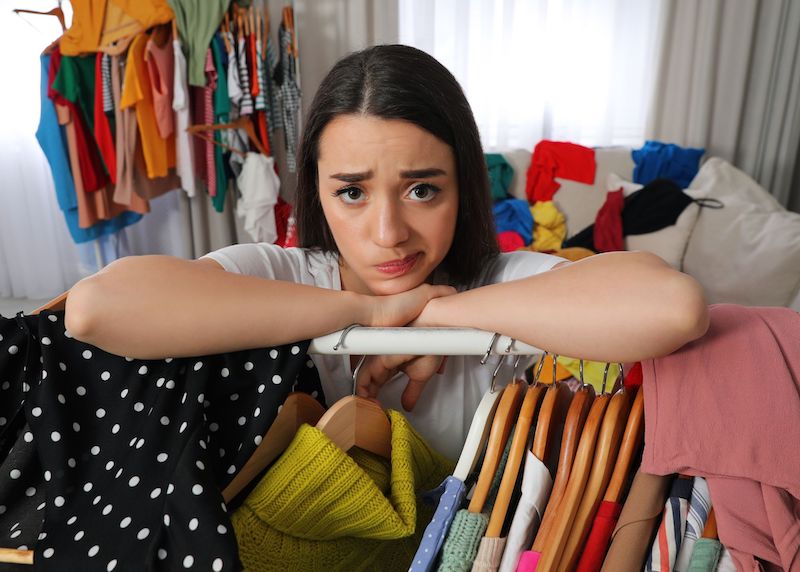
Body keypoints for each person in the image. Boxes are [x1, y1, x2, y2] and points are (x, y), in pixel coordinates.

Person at [65, 45, 709, 458]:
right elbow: (97, 309)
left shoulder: (500, 283)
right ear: (316, 191)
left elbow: (672, 306)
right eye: (351, 193)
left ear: (465, 186)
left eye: (422, 188)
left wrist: (440, 314)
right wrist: (372, 316)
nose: (389, 231)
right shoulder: (277, 273)